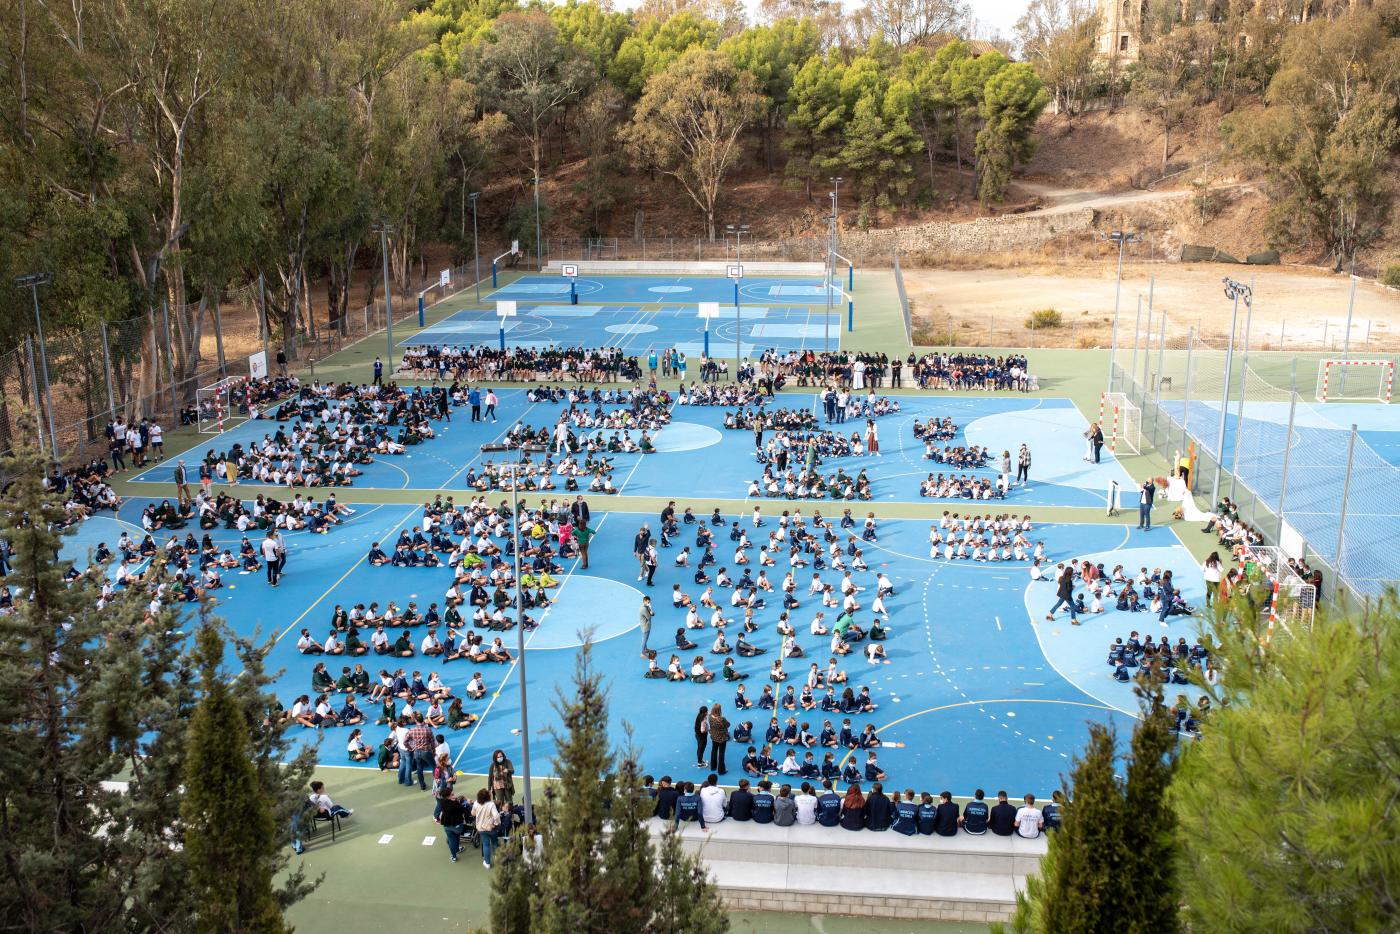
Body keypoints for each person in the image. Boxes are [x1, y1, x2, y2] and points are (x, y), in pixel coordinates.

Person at [473, 788, 502, 869]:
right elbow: (496, 815)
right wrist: (496, 824)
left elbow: (473, 813)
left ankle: (487, 863)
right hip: (491, 828)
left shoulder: (476, 803)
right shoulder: (491, 804)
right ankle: (497, 857)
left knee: (486, 844)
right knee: (495, 843)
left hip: (481, 828)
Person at [437, 791, 467, 862]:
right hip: (457, 826)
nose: (454, 795)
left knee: (451, 840)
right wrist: (456, 801)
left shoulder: (441, 802)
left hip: (447, 825)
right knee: (456, 837)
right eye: (452, 794)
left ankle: (454, 857)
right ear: (448, 796)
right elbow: (464, 810)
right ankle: (456, 849)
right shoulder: (455, 803)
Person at [708, 702, 731, 774]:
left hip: (714, 736)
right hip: (722, 738)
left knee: (714, 751)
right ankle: (721, 770)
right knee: (721, 753)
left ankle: (713, 766)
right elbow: (728, 725)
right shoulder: (721, 719)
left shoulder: (710, 716)